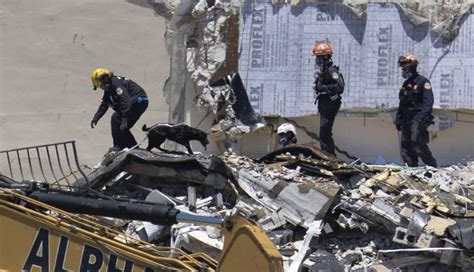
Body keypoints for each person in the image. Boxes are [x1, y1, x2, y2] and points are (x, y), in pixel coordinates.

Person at [394, 54, 437, 167]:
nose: (403, 70)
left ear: (411, 67)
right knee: (406, 144)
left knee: (417, 141)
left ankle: (432, 166)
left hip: (418, 117)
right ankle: (411, 168)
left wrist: (423, 117)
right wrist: (398, 119)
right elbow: (402, 103)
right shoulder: (406, 84)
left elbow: (428, 102)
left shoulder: (423, 82)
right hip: (406, 118)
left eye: (405, 68)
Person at [90, 68, 149, 150]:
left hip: (139, 100)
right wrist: (96, 118)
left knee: (116, 118)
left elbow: (126, 101)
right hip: (135, 102)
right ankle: (133, 147)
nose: (103, 88)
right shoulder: (109, 88)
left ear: (104, 79)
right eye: (101, 87)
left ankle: (118, 146)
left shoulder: (116, 84)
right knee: (122, 128)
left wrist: (124, 119)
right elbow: (104, 104)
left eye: (102, 85)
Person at [312, 41, 344, 156]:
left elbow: (340, 87)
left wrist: (323, 87)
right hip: (325, 104)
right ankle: (327, 156)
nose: (317, 60)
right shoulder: (324, 70)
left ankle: (330, 157)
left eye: (319, 57)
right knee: (324, 133)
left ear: (326, 56)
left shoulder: (331, 70)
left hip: (330, 104)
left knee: (325, 133)